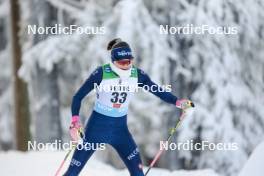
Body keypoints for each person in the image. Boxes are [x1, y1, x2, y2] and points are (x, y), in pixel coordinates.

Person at [64, 38, 193, 176]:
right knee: (72, 172)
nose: (126, 65)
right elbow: (77, 97)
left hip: (120, 131)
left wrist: (178, 102)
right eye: (122, 62)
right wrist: (75, 122)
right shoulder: (101, 73)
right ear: (113, 61)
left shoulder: (137, 75)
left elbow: (158, 91)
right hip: (96, 129)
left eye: (129, 61)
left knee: (138, 172)